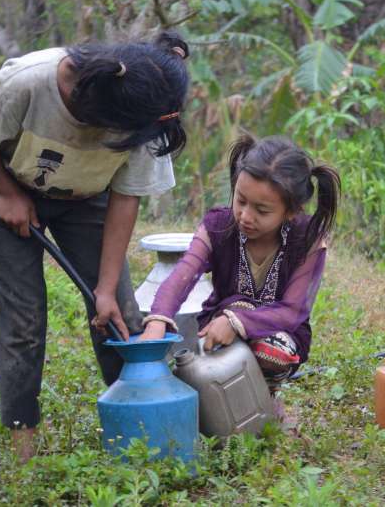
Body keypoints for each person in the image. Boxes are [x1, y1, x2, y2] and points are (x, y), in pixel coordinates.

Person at [0, 32, 190, 461]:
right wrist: (7, 192)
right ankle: (23, 442)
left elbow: (125, 196)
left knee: (119, 312)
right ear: (105, 110)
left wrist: (105, 285)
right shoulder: (29, 81)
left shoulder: (145, 105)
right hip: (5, 189)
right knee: (22, 320)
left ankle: (136, 429)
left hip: (88, 198)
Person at [139, 134, 340, 422]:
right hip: (216, 327)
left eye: (262, 210)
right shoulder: (218, 226)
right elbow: (181, 277)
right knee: (231, 317)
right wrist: (158, 318)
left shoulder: (307, 241)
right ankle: (222, 407)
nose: (245, 216)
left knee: (273, 351)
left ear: (291, 211)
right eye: (241, 200)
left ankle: (265, 401)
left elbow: (293, 311)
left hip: (279, 334)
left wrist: (238, 322)